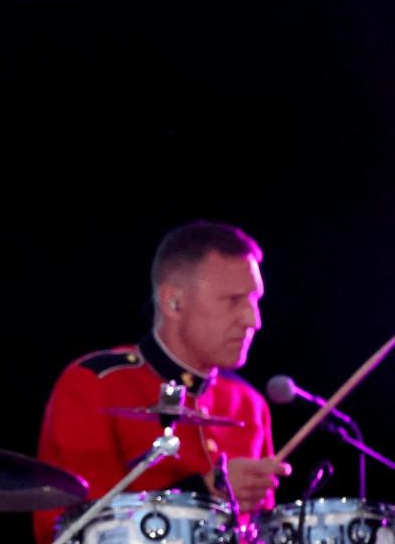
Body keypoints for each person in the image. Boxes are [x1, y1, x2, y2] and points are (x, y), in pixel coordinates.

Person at [33, 220, 290, 543]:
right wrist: (200, 494)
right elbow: (67, 527)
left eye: (255, 301)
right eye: (233, 301)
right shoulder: (95, 383)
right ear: (173, 302)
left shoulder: (248, 404)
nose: (254, 320)